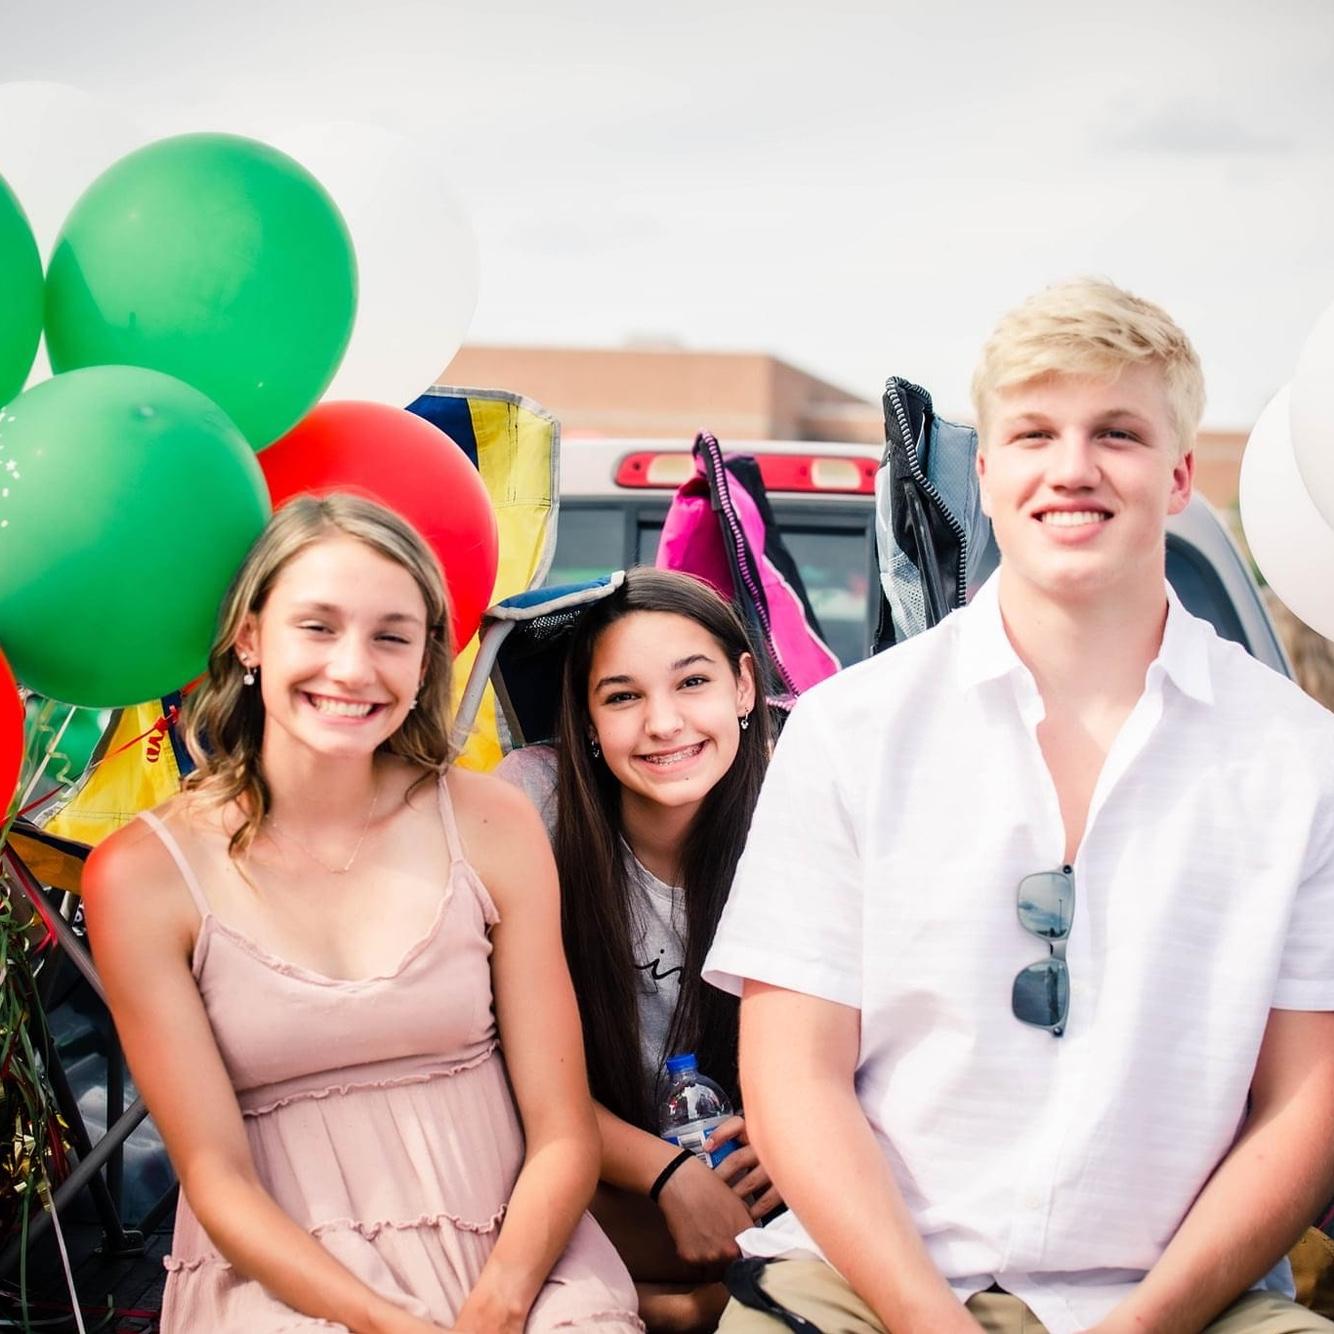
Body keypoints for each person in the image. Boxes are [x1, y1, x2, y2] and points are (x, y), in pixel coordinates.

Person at [703, 279, 1334, 1334]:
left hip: (1174, 1298)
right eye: (1033, 432)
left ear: (1179, 475)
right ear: (987, 475)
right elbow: (791, 1074)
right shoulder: (849, 731)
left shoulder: (1297, 757)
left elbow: (1305, 1099)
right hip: (862, 1282)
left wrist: (1144, 1325)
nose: (1071, 467)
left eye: (1117, 433)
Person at [83, 494, 642, 1333]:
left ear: (424, 663)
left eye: (391, 636)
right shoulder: (142, 876)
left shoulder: (492, 824)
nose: (353, 669)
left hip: (519, 1267)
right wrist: (389, 1324)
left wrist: (498, 1306)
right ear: (249, 639)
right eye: (317, 627)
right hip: (282, 1284)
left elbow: (563, 1132)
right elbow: (215, 1177)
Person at [497, 569, 779, 1333]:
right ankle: (683, 1313)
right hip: (586, 1170)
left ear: (744, 686)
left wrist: (792, 1122)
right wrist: (667, 1175)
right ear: (586, 719)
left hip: (781, 1182)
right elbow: (501, 1060)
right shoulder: (534, 804)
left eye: (693, 682)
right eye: (622, 697)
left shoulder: (808, 792)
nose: (663, 724)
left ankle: (686, 1311)